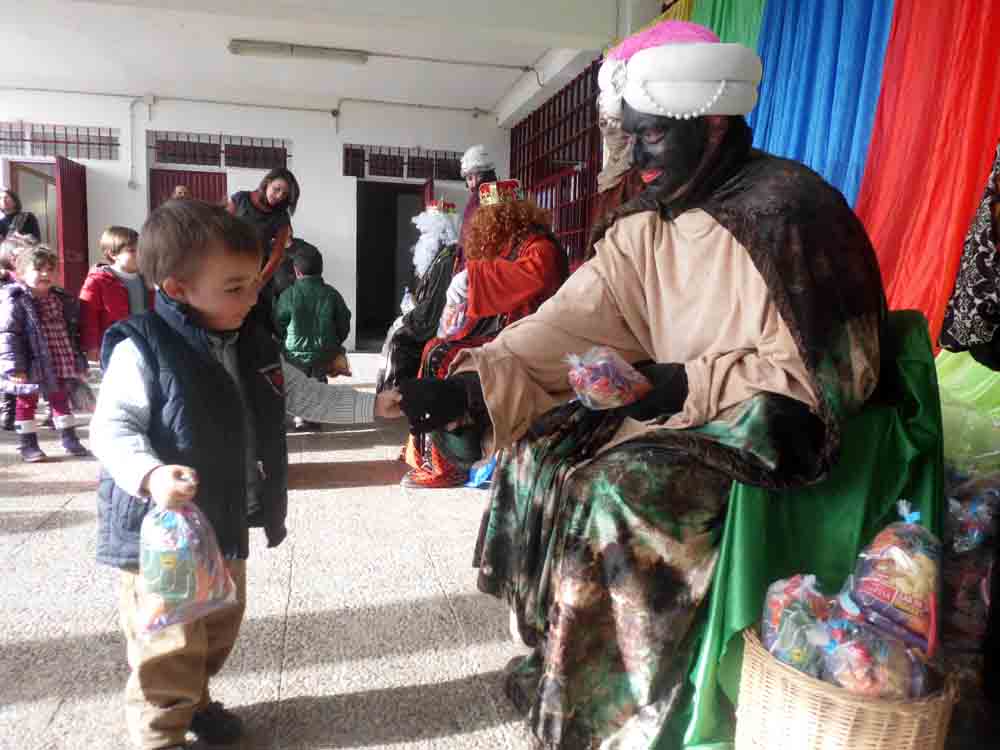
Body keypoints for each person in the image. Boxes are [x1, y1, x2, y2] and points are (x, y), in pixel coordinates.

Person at [393, 20, 887, 748]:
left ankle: (623, 704)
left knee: (616, 489)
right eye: (627, 135)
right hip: (672, 407)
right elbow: (576, 318)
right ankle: (562, 659)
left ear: (712, 125)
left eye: (651, 136)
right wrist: (476, 383)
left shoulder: (791, 214)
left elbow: (829, 374)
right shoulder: (646, 220)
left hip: (770, 421)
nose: (633, 157)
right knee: (539, 450)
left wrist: (682, 385)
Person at [89, 199, 400, 750]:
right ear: (178, 288)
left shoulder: (253, 341)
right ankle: (160, 731)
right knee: (168, 641)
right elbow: (112, 428)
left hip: (225, 516)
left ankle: (196, 700)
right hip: (161, 533)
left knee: (219, 622)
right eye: (235, 288)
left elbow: (302, 394)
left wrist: (369, 407)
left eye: (254, 283)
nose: (253, 297)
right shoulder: (143, 347)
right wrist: (151, 475)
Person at [402, 180, 568, 489]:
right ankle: (430, 455)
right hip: (507, 330)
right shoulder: (511, 244)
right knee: (434, 348)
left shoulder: (541, 247)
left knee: (442, 356)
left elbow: (525, 278)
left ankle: (449, 463)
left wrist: (472, 278)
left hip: (534, 336)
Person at [0, 244, 90, 461]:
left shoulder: (61, 299)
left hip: (58, 357)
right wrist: (15, 367)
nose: (45, 274)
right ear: (21, 273)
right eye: (38, 269)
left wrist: (79, 360)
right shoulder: (16, 300)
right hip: (30, 362)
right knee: (26, 401)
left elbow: (72, 332)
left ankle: (69, 438)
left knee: (61, 399)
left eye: (50, 269)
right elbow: (8, 335)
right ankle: (28, 444)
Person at [377, 199, 459, 392]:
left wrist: (407, 317)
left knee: (399, 339)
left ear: (441, 233)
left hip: (437, 325)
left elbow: (432, 310)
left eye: (426, 233)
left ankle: (399, 394)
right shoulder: (439, 257)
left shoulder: (446, 261)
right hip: (429, 316)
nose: (422, 238)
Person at [274, 244, 352, 429]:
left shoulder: (288, 295)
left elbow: (278, 324)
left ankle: (300, 416)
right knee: (319, 380)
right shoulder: (332, 294)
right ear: (321, 269)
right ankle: (316, 416)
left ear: (296, 272)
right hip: (324, 351)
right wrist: (335, 342)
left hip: (294, 353)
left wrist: (283, 344)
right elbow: (344, 322)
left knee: (297, 383)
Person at [78, 226, 153, 363]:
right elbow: (88, 316)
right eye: (132, 251)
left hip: (144, 343)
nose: (139, 255)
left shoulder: (146, 279)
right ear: (113, 254)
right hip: (115, 345)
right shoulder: (98, 280)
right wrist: (91, 347)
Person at [0, 236, 32, 431]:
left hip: (26, 330)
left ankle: (48, 412)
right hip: (6, 332)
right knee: (8, 372)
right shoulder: (5, 280)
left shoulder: (30, 275)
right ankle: (8, 413)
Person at [456, 145, 498, 269]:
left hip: (480, 265)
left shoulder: (486, 195)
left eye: (479, 176)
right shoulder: (498, 192)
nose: (473, 183)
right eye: (469, 178)